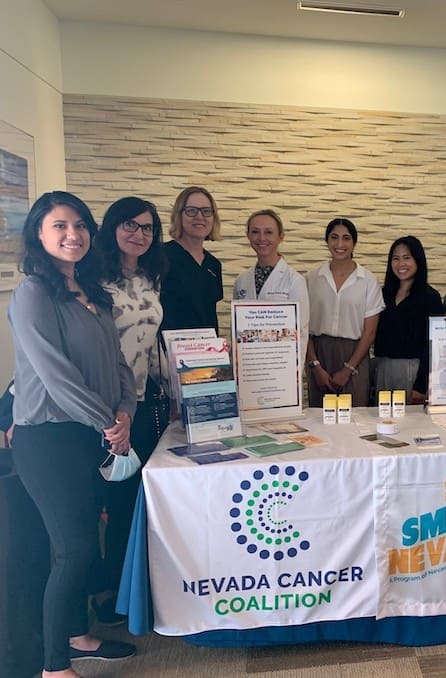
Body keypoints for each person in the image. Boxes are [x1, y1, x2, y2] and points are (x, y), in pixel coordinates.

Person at [9, 191, 137, 677]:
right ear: (39, 235)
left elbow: (119, 363)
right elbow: (55, 375)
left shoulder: (92, 292)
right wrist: (109, 422)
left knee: (88, 540)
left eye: (80, 225)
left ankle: (78, 635)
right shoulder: (32, 294)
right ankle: (53, 667)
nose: (73, 234)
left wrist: (124, 412)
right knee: (72, 548)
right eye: (60, 225)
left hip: (93, 433)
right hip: (49, 440)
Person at [92, 196, 167, 625]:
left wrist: (172, 388)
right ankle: (105, 591)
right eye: (130, 225)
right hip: (101, 404)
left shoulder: (150, 278)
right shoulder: (94, 277)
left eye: (147, 228)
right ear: (112, 227)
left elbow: (150, 341)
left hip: (140, 401)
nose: (139, 234)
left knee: (133, 497)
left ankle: (129, 587)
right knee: (106, 501)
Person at [305, 218, 383, 407]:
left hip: (355, 356)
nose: (340, 244)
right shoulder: (311, 279)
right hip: (318, 355)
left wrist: (348, 369)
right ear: (327, 241)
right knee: (320, 418)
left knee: (356, 420)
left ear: (354, 243)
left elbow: (369, 332)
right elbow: (302, 326)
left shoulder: (368, 281)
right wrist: (315, 366)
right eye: (334, 237)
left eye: (346, 238)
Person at [374, 235, 444, 405]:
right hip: (383, 368)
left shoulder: (430, 297)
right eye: (396, 258)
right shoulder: (383, 294)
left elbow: (434, 345)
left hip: (413, 371)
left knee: (409, 425)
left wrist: (421, 385)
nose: (401, 264)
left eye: (407, 258)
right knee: (383, 420)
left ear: (418, 260)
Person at [233, 208, 310, 359]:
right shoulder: (241, 280)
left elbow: (300, 334)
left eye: (268, 232)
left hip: (280, 366)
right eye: (255, 232)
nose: (261, 238)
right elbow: (237, 329)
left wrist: (294, 376)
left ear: (280, 236)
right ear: (248, 236)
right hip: (248, 365)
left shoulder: (294, 281)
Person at [159, 186, 223, 333]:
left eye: (206, 211)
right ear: (179, 215)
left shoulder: (213, 265)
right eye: (191, 210)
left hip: (206, 351)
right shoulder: (161, 256)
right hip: (170, 350)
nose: (199, 217)